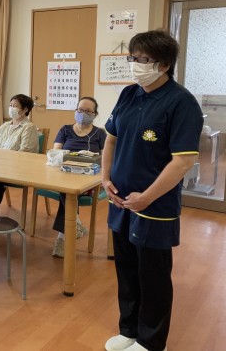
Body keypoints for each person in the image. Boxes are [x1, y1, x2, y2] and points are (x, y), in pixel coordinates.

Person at [102, 30, 203, 351]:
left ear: (164, 65)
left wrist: (146, 197)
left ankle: (151, 341)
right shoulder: (129, 94)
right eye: (132, 58)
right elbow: (111, 139)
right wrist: (105, 179)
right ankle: (129, 330)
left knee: (153, 275)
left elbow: (183, 161)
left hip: (154, 206)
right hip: (120, 199)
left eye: (142, 59)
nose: (135, 64)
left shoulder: (181, 102)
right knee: (126, 269)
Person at [50, 96, 107, 258]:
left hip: (89, 178)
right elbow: (56, 153)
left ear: (95, 114)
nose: (83, 114)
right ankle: (75, 223)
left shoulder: (99, 133)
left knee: (67, 191)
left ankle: (62, 237)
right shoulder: (65, 130)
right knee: (66, 188)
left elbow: (106, 159)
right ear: (75, 110)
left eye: (88, 111)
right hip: (65, 173)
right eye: (80, 110)